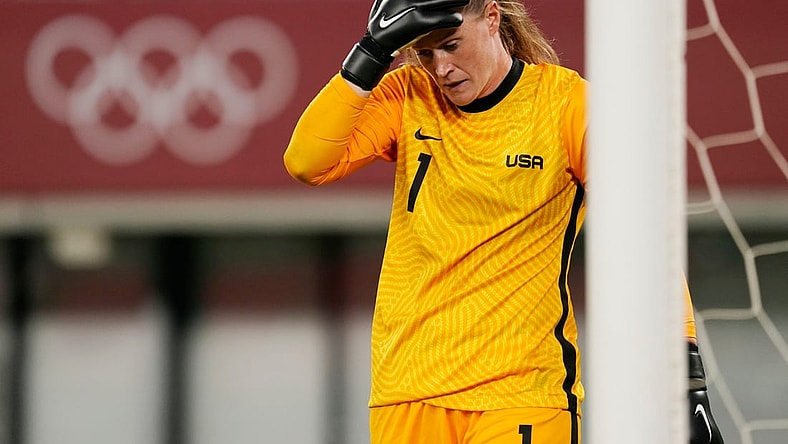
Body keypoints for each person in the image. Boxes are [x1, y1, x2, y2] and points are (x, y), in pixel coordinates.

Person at [283, 1, 724, 443]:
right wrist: (372, 51)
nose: (442, 67)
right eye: (425, 53)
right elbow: (306, 163)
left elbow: (642, 236)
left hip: (520, 392)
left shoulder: (567, 105)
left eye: (452, 45)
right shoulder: (408, 94)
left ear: (492, 17)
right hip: (407, 392)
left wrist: (685, 374)